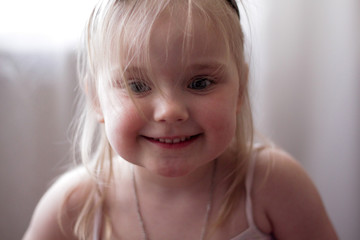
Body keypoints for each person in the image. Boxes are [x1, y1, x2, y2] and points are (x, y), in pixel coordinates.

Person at [23, 0, 338, 239]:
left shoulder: (273, 185)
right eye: (137, 87)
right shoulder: (71, 207)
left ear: (240, 87)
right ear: (96, 99)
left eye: (200, 83)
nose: (169, 111)